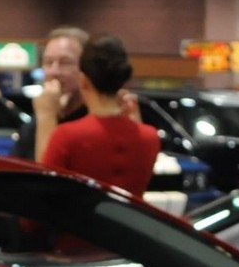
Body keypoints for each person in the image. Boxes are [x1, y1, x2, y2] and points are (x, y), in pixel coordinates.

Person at [41, 34, 160, 197]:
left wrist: (45, 115)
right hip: (125, 223)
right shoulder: (150, 136)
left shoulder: (67, 135)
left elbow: (42, 197)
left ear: (82, 80)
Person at [22, 26, 91, 161]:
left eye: (65, 63)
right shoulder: (33, 126)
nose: (54, 72)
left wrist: (47, 116)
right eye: (48, 62)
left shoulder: (94, 123)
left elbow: (53, 178)